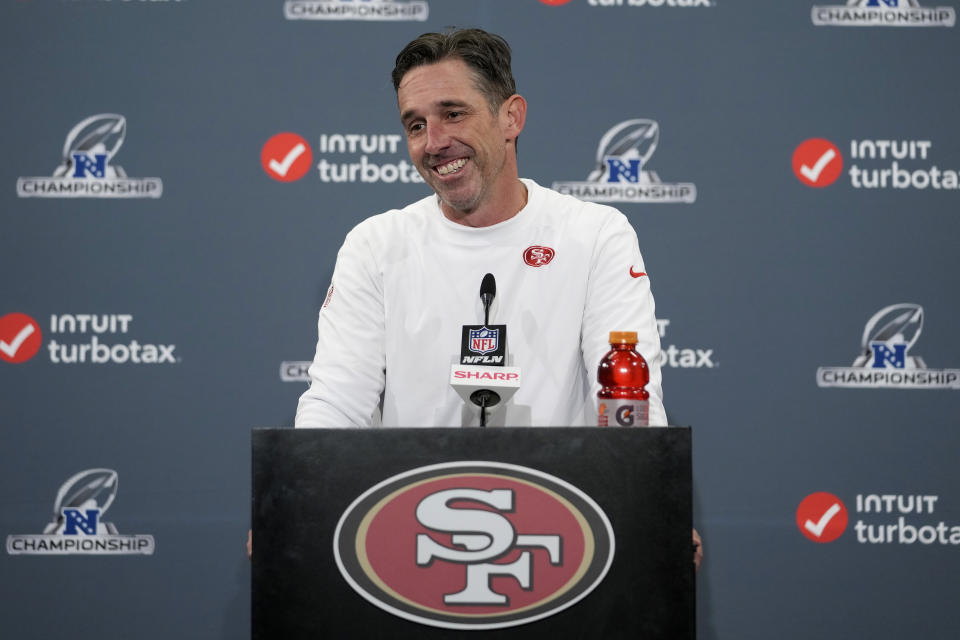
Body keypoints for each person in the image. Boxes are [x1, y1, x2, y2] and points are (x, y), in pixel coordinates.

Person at [284, 28, 701, 570]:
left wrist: (649, 506)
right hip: (410, 538)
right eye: (415, 124)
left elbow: (625, 396)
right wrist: (292, 509)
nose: (433, 142)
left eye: (453, 114)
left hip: (564, 535)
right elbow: (337, 403)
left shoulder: (594, 234)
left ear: (512, 117)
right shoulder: (375, 244)